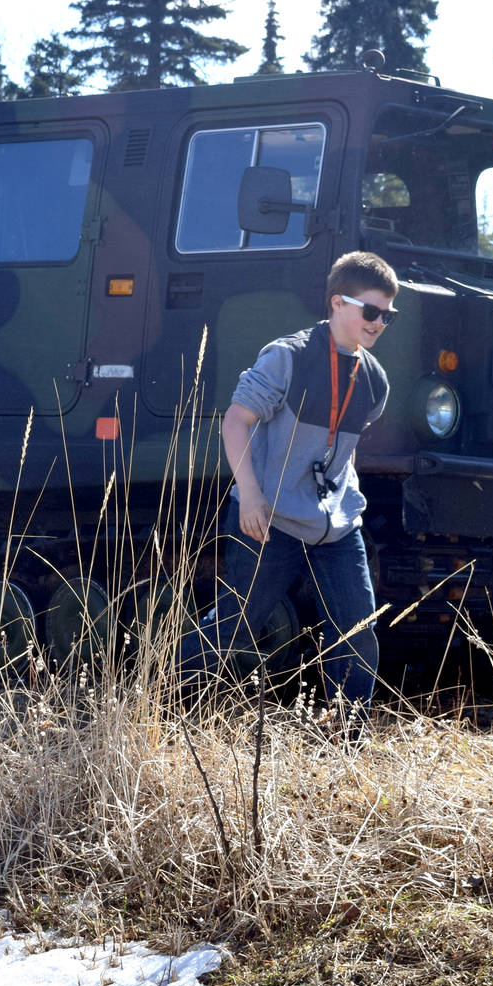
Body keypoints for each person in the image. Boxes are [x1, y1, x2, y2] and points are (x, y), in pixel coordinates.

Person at [184, 251, 397, 734]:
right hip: (270, 520)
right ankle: (161, 714)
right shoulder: (288, 356)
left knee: (357, 631)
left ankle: (345, 743)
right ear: (338, 302)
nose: (379, 322)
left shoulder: (376, 380)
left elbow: (342, 448)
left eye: (388, 314)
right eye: (371, 311)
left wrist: (341, 498)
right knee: (234, 627)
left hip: (337, 528)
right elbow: (235, 422)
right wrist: (251, 495)